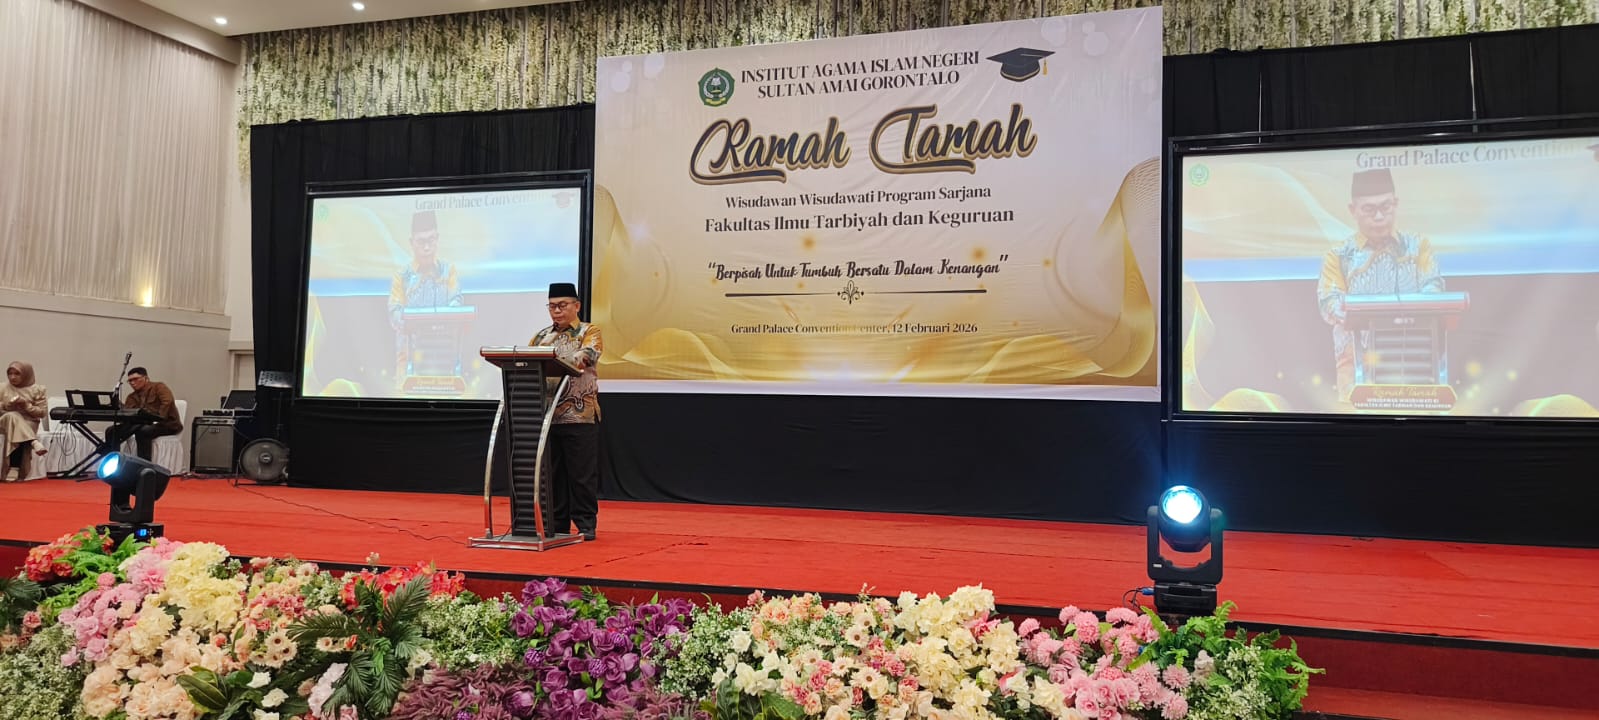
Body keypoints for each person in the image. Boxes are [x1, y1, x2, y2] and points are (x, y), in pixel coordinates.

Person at [1316, 168, 1445, 401]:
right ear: (1353, 210)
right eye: (1369, 209)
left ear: (1396, 204)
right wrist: (1364, 315)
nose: (1378, 216)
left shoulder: (1418, 246)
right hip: (1357, 367)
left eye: (1386, 207)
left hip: (1413, 361)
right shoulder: (1339, 255)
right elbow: (1329, 302)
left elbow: (1433, 286)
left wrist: (1409, 311)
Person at [528, 282, 602, 541]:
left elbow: (587, 355)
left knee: (581, 474)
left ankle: (585, 523)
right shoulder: (541, 337)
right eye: (552, 306)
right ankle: (557, 523)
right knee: (553, 474)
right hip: (548, 416)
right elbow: (527, 360)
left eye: (562, 305)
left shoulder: (589, 331)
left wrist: (554, 358)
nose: (556, 311)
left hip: (580, 414)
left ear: (576, 306)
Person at [388, 209, 463, 383]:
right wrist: (417, 322)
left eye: (431, 240)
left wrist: (444, 316)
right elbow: (394, 313)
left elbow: (457, 302)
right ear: (411, 242)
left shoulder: (448, 271)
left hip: (443, 360)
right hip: (410, 364)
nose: (427, 247)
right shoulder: (402, 276)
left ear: (437, 238)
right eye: (421, 241)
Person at [105, 367, 183, 461]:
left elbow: (167, 402)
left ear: (146, 378)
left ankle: (144, 465)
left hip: (167, 424)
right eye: (130, 381)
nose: (132, 383)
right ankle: (113, 461)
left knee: (143, 431)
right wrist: (119, 406)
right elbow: (129, 414)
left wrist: (158, 418)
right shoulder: (131, 397)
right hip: (142, 424)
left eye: (135, 379)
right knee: (111, 431)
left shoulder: (159, 387)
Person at [1, 361, 47, 482]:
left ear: (26, 374)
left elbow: (42, 413)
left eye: (17, 374)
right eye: (10, 374)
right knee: (12, 415)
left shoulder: (38, 390)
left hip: (28, 421)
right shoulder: (2, 387)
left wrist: (26, 406)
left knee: (15, 421)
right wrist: (6, 405)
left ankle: (14, 468)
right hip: (3, 421)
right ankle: (33, 442)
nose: (12, 377)